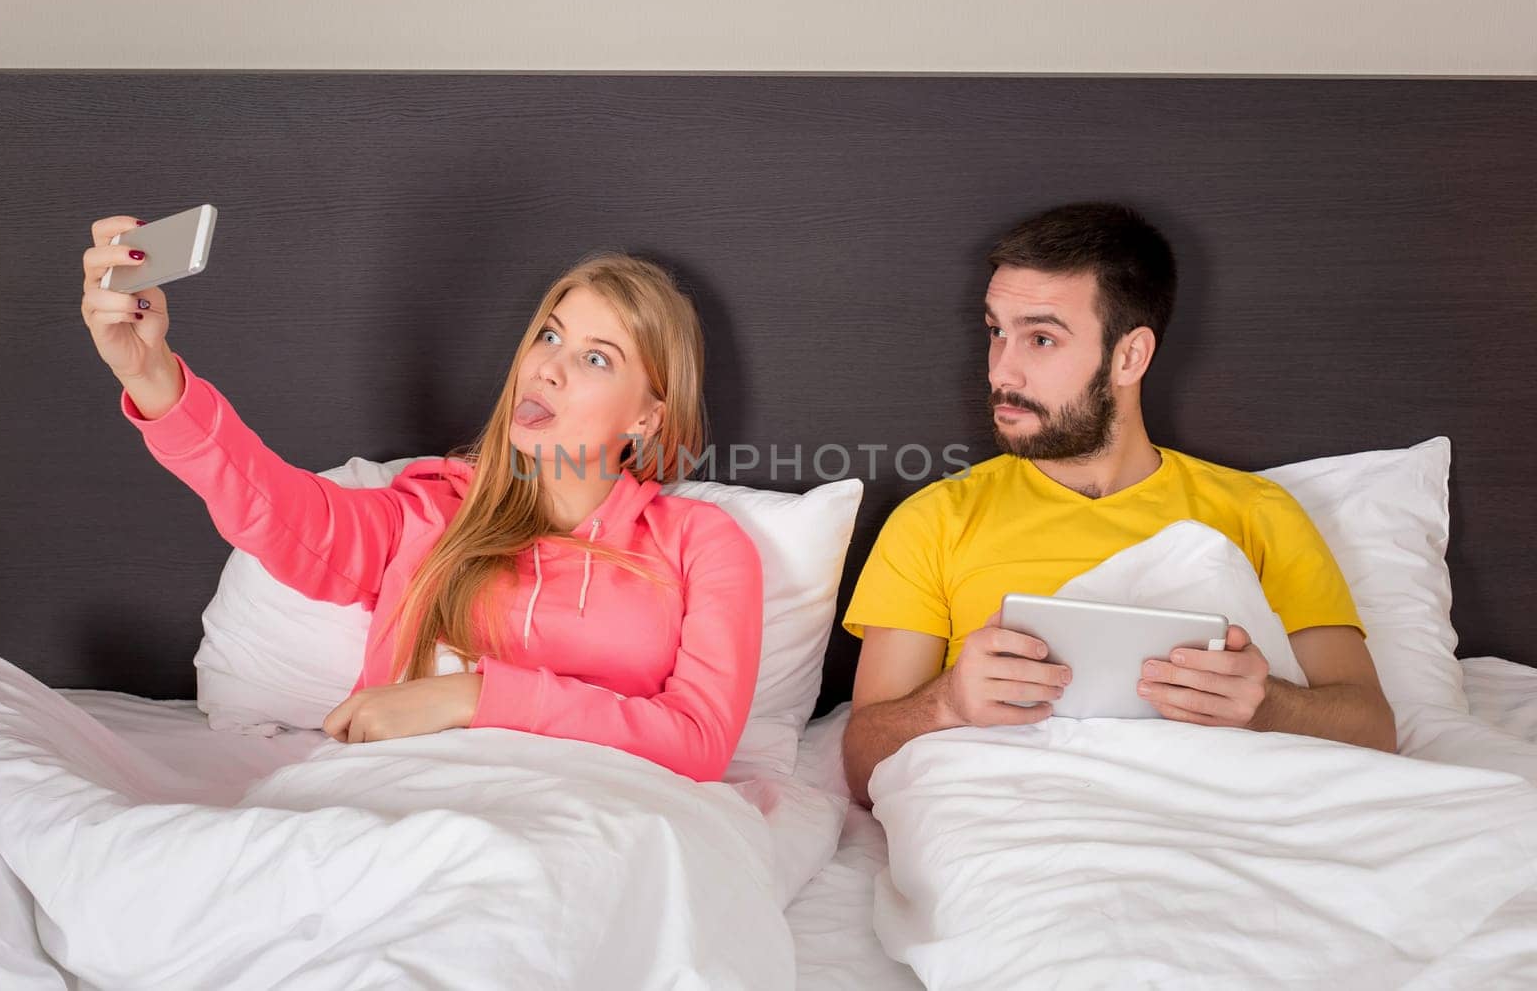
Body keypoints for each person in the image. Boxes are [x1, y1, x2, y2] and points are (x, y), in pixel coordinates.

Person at [78, 214, 763, 783]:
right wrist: (153, 376)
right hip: (406, 808)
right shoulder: (433, 511)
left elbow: (698, 741)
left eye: (595, 357)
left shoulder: (700, 542)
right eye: (550, 335)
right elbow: (279, 512)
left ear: (646, 418)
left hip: (594, 825)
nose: (548, 367)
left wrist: (470, 696)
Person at [842, 202, 1395, 808]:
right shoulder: (936, 519)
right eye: (996, 331)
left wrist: (1266, 706)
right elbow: (862, 759)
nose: (1003, 370)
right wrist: (947, 701)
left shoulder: (1257, 512)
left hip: (1223, 809)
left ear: (1130, 356)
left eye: (1041, 338)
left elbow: (1373, 730)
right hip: (1023, 817)